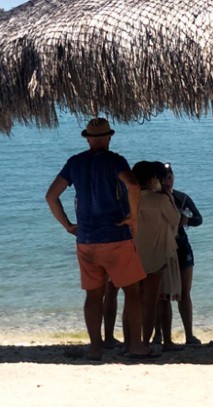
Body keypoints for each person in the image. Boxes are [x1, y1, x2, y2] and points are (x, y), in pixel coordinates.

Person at [45, 118, 151, 360]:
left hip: (86, 239)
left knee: (93, 295)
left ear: (88, 139)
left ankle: (95, 348)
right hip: (116, 237)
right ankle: (136, 346)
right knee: (132, 292)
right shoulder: (115, 161)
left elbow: (51, 196)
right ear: (109, 137)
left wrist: (67, 225)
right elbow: (133, 185)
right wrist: (133, 218)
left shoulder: (74, 163)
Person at [131, 161, 181, 347]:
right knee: (152, 303)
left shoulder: (129, 199)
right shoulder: (160, 201)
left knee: (133, 303)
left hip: (133, 257)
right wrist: (168, 195)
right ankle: (144, 343)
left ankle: (130, 342)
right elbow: (175, 219)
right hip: (157, 258)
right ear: (152, 179)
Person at [157, 164, 203, 346]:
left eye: (170, 177)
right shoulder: (154, 200)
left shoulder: (181, 198)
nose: (167, 181)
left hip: (182, 247)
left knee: (184, 293)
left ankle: (189, 335)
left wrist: (187, 220)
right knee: (161, 295)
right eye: (164, 178)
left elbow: (199, 219)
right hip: (162, 249)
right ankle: (159, 335)